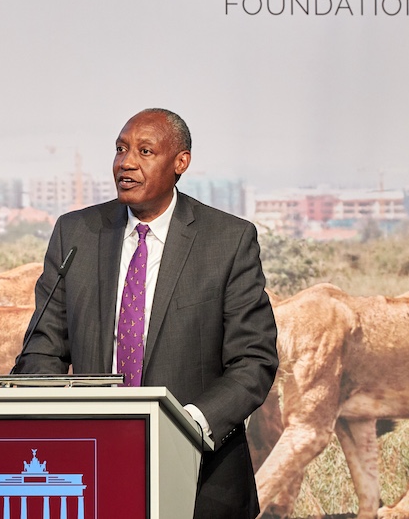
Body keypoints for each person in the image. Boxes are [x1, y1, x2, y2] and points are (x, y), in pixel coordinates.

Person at [14, 108, 279, 518]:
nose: (127, 162)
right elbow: (41, 350)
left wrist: (184, 427)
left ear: (180, 162)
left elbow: (253, 362)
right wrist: (59, 422)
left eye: (145, 150)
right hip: (91, 470)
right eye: (120, 149)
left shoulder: (228, 240)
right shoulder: (76, 232)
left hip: (201, 478)